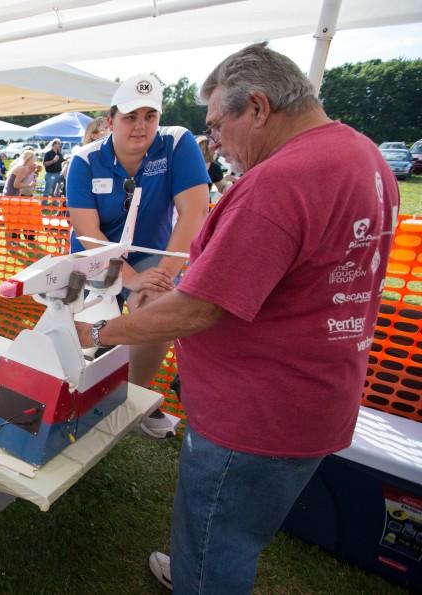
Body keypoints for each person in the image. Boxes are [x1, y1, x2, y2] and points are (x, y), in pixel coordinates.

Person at [76, 43, 399, 594]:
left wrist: (105, 332)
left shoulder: (281, 181)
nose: (216, 141)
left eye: (219, 124)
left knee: (214, 537)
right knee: (235, 530)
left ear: (257, 107)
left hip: (254, 413)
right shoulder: (362, 153)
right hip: (316, 395)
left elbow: (202, 307)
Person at [66, 73, 209, 439]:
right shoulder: (83, 160)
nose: (141, 125)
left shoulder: (177, 143)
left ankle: (131, 396)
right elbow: (89, 235)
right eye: (131, 116)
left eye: (151, 115)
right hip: (93, 259)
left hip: (154, 257)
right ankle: (81, 391)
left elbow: (194, 213)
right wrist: (128, 279)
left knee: (160, 306)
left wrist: (160, 275)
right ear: (110, 121)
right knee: (76, 330)